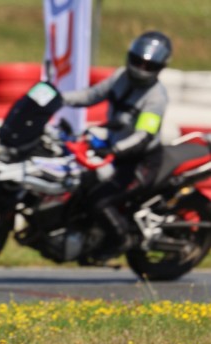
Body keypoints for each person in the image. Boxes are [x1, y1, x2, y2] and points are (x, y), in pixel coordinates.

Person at [60, 31, 172, 261]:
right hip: (115, 151)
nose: (140, 68)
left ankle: (120, 239)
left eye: (148, 65)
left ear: (160, 67)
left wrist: (113, 151)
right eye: (137, 61)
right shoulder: (120, 77)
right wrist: (58, 97)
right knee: (82, 186)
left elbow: (143, 136)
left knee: (100, 201)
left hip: (141, 161)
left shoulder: (156, 98)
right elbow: (91, 95)